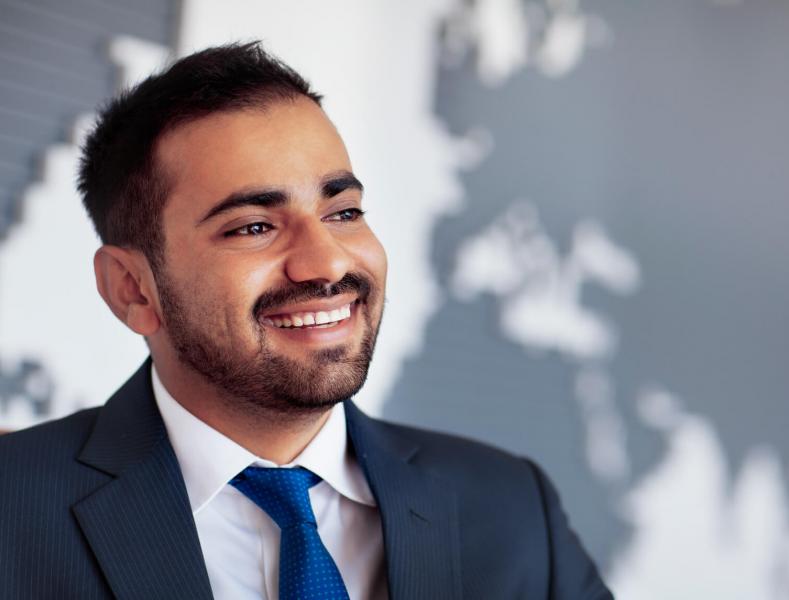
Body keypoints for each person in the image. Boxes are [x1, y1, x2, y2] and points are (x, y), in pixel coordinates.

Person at [0, 42, 613, 600]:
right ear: (132, 289)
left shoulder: (510, 507)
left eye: (343, 212)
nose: (326, 262)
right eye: (253, 227)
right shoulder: (13, 510)